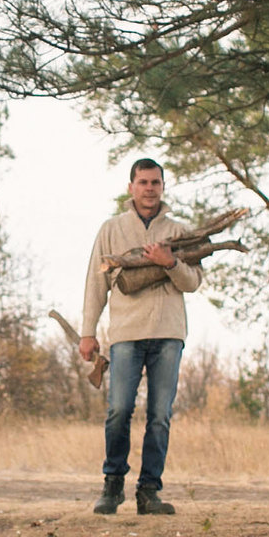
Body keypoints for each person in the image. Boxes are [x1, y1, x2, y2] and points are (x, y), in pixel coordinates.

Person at [78, 157, 201, 516]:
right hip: (126, 335)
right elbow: (95, 283)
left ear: (163, 187)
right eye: (143, 182)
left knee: (160, 415)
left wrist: (170, 263)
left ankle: (149, 492)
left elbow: (193, 283)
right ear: (130, 187)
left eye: (156, 183)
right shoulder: (112, 229)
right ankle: (112, 485)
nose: (150, 188)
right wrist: (88, 332)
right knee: (118, 410)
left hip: (168, 333)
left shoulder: (180, 232)